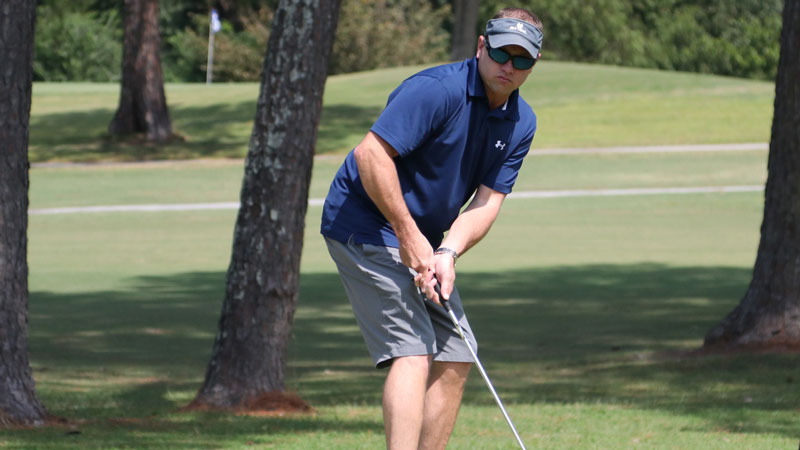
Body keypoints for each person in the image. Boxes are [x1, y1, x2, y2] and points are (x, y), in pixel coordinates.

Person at [321, 7, 542, 449]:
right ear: (481, 47)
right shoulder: (437, 91)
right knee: (413, 349)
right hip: (365, 222)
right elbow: (370, 155)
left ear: (534, 64)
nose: (508, 66)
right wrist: (408, 235)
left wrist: (447, 252)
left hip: (423, 237)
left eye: (521, 59)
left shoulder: (521, 122)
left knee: (458, 352)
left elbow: (486, 202)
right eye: (501, 53)